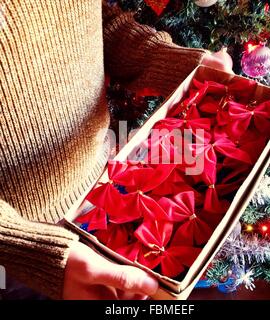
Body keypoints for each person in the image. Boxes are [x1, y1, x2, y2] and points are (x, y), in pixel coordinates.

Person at [0, 0, 232, 300]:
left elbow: (92, 20)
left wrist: (174, 62)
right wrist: (26, 248)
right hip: (20, 247)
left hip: (106, 183)